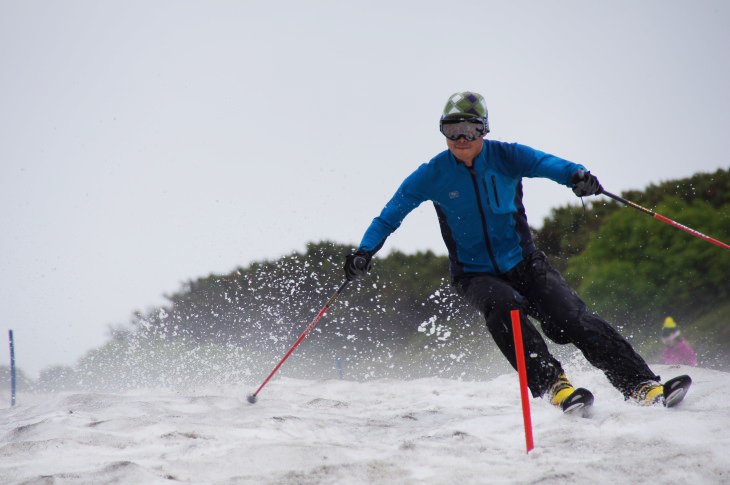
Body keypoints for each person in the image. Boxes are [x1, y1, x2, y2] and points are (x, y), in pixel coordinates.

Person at [343, 91, 682, 409]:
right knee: (505, 306)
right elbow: (390, 214)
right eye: (451, 130)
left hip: (525, 263)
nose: (460, 139)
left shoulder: (507, 156)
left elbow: (547, 163)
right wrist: (364, 251)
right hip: (474, 274)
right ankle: (555, 387)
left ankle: (642, 386)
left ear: (484, 130)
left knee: (574, 320)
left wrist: (577, 176)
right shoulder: (432, 174)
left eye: (469, 130)